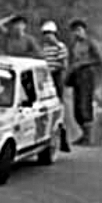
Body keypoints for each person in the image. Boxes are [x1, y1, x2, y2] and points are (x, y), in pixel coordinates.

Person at [66, 19, 102, 146]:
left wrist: (84, 63)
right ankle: (82, 135)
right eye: (74, 31)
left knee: (85, 105)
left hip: (87, 75)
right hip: (77, 76)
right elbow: (73, 61)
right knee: (77, 107)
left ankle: (88, 137)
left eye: (79, 30)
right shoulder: (75, 45)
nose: (77, 33)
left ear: (84, 30)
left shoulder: (90, 43)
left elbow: (101, 60)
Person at [40, 21, 71, 151]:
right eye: (45, 34)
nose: (48, 36)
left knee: (58, 105)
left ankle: (62, 135)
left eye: (50, 34)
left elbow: (64, 65)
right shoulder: (44, 48)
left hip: (56, 76)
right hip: (46, 77)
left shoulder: (60, 46)